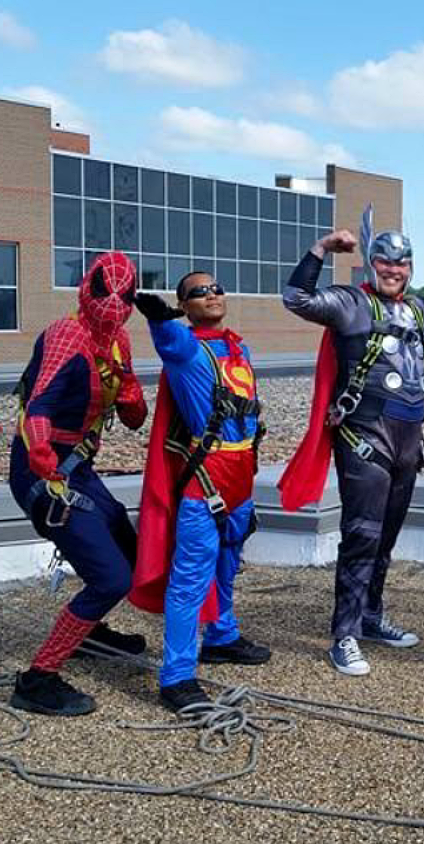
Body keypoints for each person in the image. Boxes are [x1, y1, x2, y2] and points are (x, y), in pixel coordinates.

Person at [279, 217, 424, 676]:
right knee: (362, 535)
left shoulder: (422, 311)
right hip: (364, 436)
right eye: (385, 260)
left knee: (385, 537)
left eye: (402, 262)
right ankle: (344, 634)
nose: (394, 269)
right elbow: (297, 298)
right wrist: (321, 248)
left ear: (410, 268)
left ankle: (369, 616)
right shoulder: (350, 304)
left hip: (409, 440)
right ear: (372, 264)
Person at [6, 252, 150, 716]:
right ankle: (38, 678)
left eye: (123, 295)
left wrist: (130, 395)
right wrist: (45, 459)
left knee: (129, 553)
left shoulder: (119, 341)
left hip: (79, 467)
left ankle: (88, 632)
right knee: (112, 577)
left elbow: (132, 418)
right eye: (104, 292)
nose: (113, 303)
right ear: (86, 289)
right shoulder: (67, 334)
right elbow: (40, 405)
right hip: (42, 470)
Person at [129, 272, 272, 712]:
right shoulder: (186, 348)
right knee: (190, 578)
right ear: (185, 305)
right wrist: (159, 319)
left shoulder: (237, 347)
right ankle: (176, 677)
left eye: (216, 288)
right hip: (205, 479)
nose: (211, 295)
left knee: (229, 562)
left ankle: (222, 635)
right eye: (198, 292)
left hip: (241, 473)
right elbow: (170, 341)